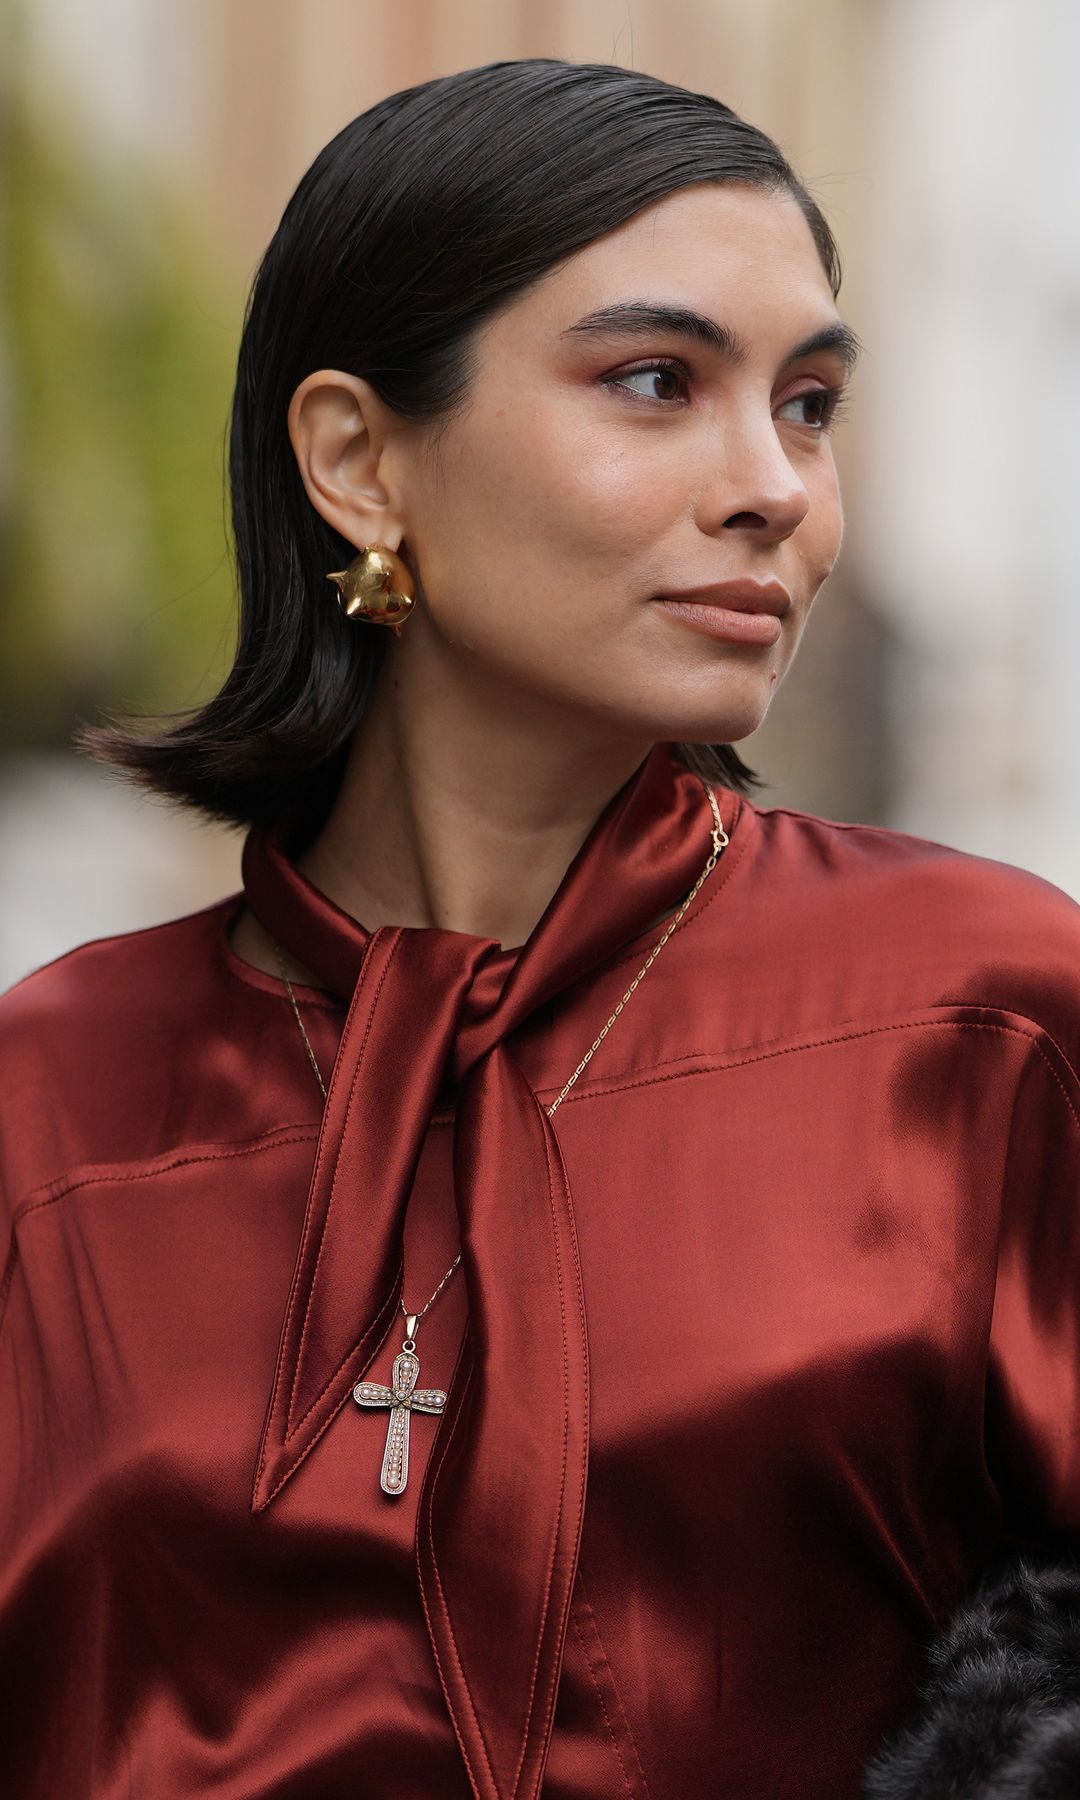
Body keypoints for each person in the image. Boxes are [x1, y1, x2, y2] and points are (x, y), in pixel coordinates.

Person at [2, 56, 1079, 1800]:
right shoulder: (48, 1102)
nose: (777, 488)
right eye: (657, 381)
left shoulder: (987, 1014)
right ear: (357, 459)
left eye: (808, 405)